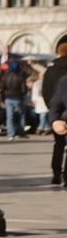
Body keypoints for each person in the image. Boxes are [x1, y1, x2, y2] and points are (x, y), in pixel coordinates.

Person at [43, 42, 67, 183]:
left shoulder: (51, 69)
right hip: (61, 113)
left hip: (59, 113)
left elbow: (45, 91)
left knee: (58, 144)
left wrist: (54, 115)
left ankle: (57, 173)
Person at [0, 59, 27, 140]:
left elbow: (1, 87)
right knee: (21, 115)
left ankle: (11, 134)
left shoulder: (6, 76)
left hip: (8, 97)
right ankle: (21, 132)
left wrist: (2, 97)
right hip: (18, 97)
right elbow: (24, 90)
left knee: (9, 116)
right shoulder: (20, 77)